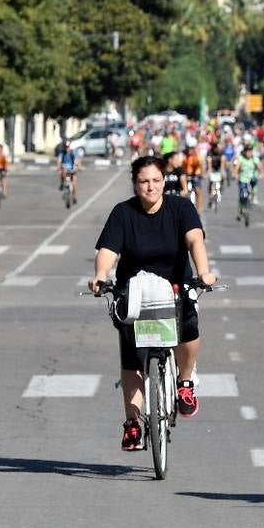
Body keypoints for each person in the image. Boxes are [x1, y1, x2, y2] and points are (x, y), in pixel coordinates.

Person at [87, 155, 218, 449]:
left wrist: (204, 273)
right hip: (135, 292)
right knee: (132, 354)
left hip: (175, 286)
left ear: (164, 182)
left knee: (189, 325)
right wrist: (100, 275)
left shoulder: (181, 207)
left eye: (156, 180)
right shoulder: (123, 213)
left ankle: (185, 382)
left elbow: (195, 240)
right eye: (144, 181)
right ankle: (133, 423)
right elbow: (108, 250)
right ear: (135, 184)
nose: (150, 187)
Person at [236, 144, 261, 220]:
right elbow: (237, 167)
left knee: (254, 185)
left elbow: (259, 166)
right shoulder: (241, 158)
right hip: (243, 179)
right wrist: (235, 174)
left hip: (252, 178)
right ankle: (240, 211)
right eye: (248, 151)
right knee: (242, 196)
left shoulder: (254, 159)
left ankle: (254, 196)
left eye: (250, 151)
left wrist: (261, 173)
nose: (249, 153)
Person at [182, 146, 204, 213]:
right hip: (187, 175)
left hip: (195, 175)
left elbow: (199, 166)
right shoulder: (184, 157)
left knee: (197, 190)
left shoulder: (196, 157)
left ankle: (199, 208)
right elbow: (183, 167)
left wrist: (200, 173)